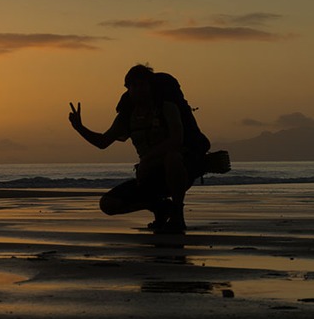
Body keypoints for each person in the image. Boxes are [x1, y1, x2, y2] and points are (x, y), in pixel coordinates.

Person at [68, 64, 211, 233]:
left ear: (150, 86)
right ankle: (161, 208)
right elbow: (103, 142)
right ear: (127, 89)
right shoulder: (128, 115)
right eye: (133, 86)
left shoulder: (167, 107)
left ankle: (177, 215)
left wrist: (147, 158)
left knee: (172, 157)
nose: (138, 89)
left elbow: (176, 140)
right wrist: (80, 128)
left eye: (142, 84)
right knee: (108, 204)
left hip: (180, 171)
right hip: (149, 176)